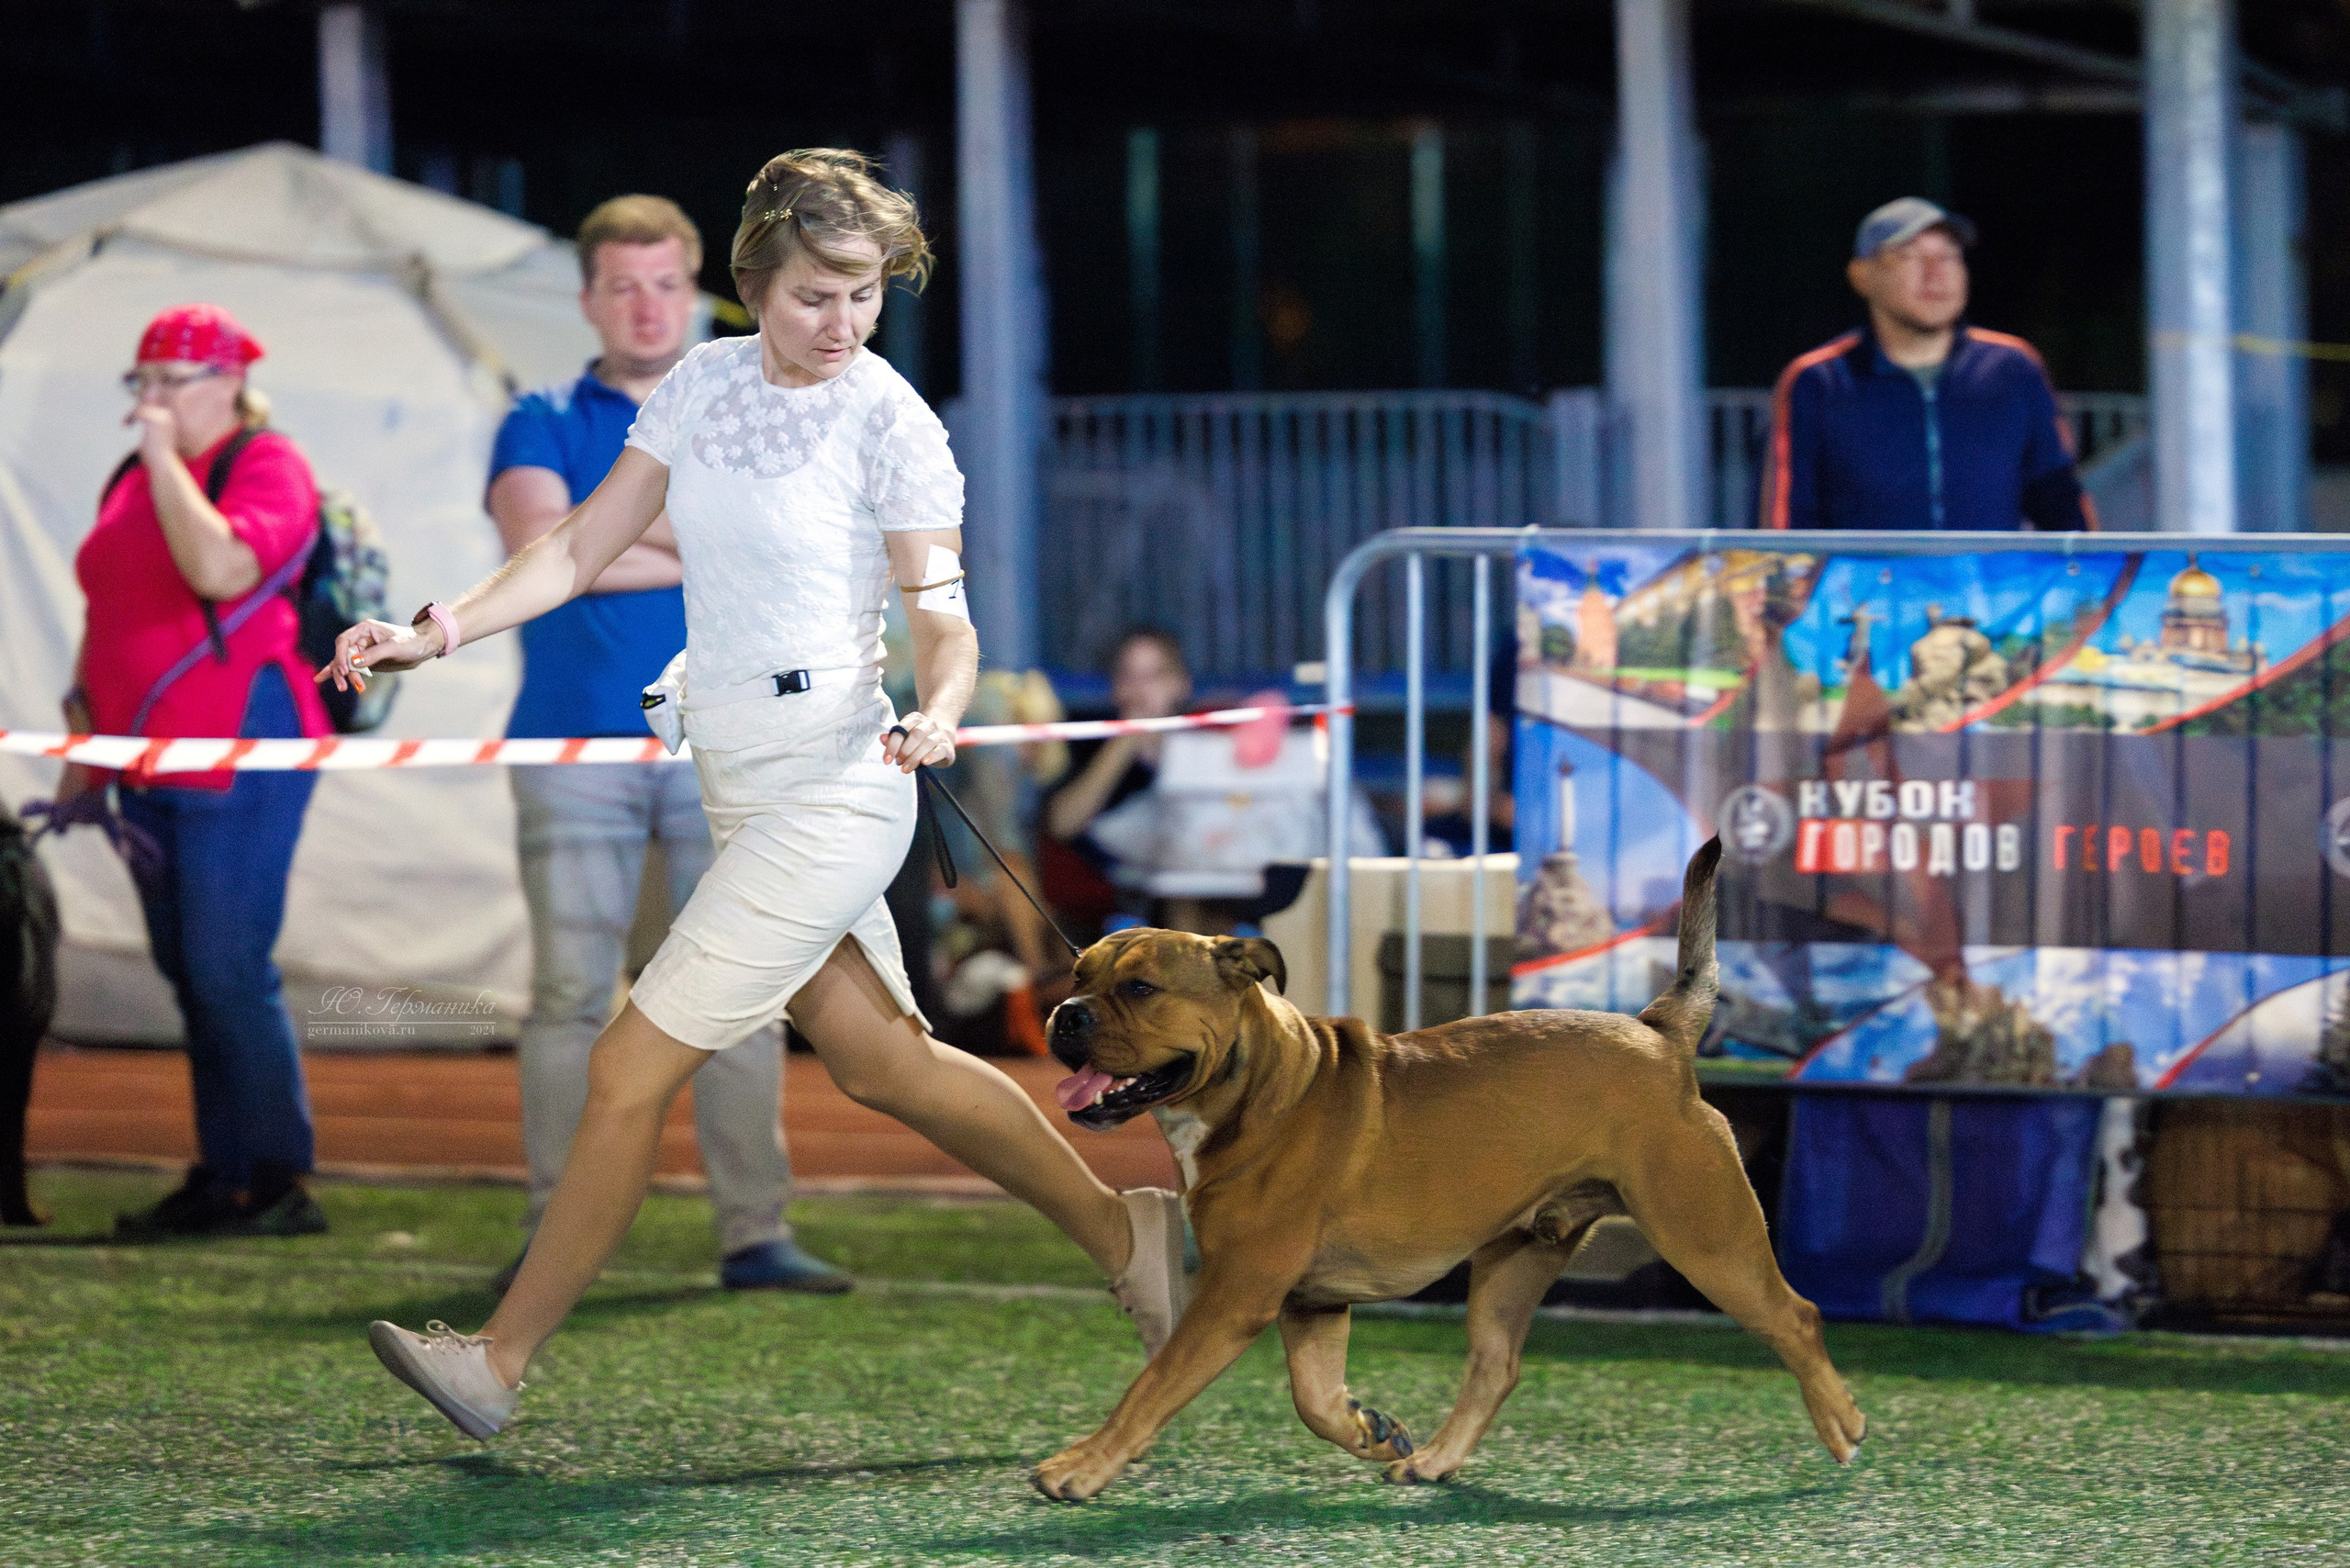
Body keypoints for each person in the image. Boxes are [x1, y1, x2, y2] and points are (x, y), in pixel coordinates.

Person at [335, 150, 1185, 1438]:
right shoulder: (700, 386)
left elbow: (943, 625)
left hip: (840, 789)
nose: (842, 323)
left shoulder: (893, 419)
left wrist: (947, 708)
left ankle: (497, 1365)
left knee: (626, 1067)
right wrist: (432, 631)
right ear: (751, 285)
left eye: (865, 295)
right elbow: (573, 545)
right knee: (886, 1065)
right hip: (738, 774)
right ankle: (1129, 1233)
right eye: (814, 295)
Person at [485, 194, 844, 1296]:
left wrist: (601, 536)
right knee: (569, 997)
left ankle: (754, 1230)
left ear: (695, 293)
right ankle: (560, 1230)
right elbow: (538, 543)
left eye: (663, 285)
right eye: (622, 286)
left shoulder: (766, 406)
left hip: (731, 743)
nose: (645, 307)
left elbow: (778, 549)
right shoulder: (535, 411)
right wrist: (693, 539)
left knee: (740, 990)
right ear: (589, 298)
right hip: (571, 748)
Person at [60, 306, 331, 1238]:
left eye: (175, 381)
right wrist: (83, 737)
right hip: (143, 749)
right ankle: (224, 1169)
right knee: (189, 968)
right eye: (145, 381)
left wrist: (166, 458)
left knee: (225, 966)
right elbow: (110, 611)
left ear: (230, 383)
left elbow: (220, 566)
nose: (156, 400)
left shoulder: (267, 465)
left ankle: (275, 1177)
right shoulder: (132, 478)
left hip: (240, 739)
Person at [1762, 196, 2095, 532]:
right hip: (1864, 586)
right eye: (1908, 256)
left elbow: (2060, 499)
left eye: (1948, 256)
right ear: (1862, 276)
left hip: (1987, 585)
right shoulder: (1818, 381)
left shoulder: (2013, 368)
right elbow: (1786, 525)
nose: (1935, 274)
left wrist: (2094, 577)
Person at [1043, 628, 1192, 899]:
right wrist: (1125, 740)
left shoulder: (1200, 745)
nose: (1138, 689)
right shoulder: (1087, 741)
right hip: (1117, 889)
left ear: (1179, 683)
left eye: (1152, 677)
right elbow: (1061, 824)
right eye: (1128, 676)